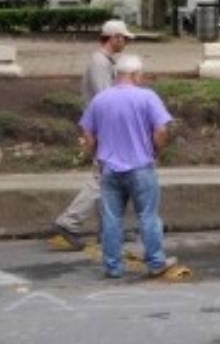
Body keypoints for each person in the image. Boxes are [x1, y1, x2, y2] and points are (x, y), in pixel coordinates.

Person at [79, 54, 176, 279]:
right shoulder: (147, 97)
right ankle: (155, 262)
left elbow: (87, 132)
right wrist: (156, 150)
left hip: (110, 169)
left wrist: (96, 154)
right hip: (141, 166)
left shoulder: (100, 99)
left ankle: (113, 266)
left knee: (112, 219)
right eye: (140, 74)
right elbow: (161, 130)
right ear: (134, 74)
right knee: (148, 216)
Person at [53, 19, 135, 250]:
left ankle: (109, 228)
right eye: (124, 38)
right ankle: (69, 221)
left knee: (108, 180)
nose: (126, 43)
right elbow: (105, 98)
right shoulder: (100, 63)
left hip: (101, 127)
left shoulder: (103, 61)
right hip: (104, 129)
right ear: (114, 38)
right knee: (102, 179)